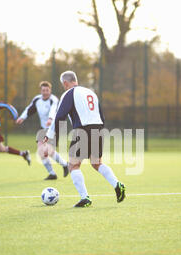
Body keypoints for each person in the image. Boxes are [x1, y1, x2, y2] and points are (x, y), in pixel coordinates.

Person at [44, 71, 126, 207]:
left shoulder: (69, 93)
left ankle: (85, 198)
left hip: (82, 129)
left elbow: (60, 116)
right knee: (97, 163)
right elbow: (102, 116)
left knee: (73, 165)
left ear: (65, 83)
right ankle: (117, 184)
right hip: (98, 128)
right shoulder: (91, 93)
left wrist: (53, 137)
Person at [16, 81, 68, 180]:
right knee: (41, 150)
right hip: (42, 128)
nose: (45, 92)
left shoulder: (54, 99)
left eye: (47, 90)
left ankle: (65, 165)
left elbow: (53, 109)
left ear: (50, 90)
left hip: (53, 127)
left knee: (48, 150)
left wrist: (50, 118)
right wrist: (22, 118)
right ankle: (52, 173)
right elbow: (29, 109)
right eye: (43, 90)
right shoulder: (37, 99)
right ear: (40, 91)